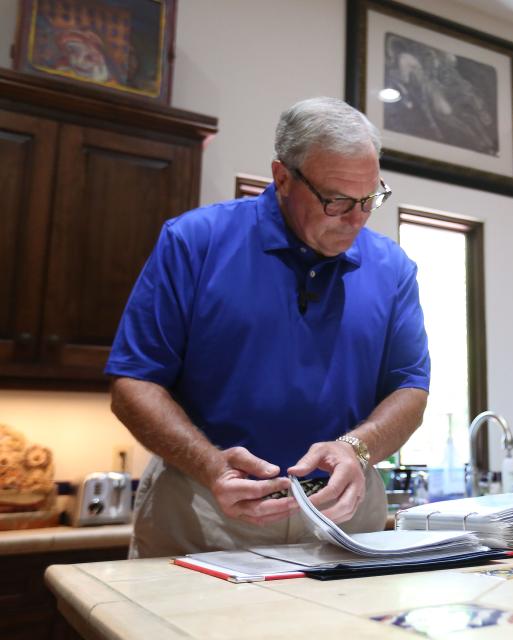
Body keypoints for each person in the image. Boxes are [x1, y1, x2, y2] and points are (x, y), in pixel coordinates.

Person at [106, 97, 430, 558]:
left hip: (345, 518)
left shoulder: (392, 267)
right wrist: (211, 466)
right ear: (282, 178)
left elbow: (410, 391)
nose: (357, 219)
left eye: (370, 198)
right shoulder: (195, 242)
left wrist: (357, 448)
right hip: (205, 512)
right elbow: (133, 385)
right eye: (336, 201)